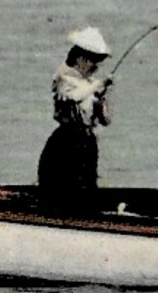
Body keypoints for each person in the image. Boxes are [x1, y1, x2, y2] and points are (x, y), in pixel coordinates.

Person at [37, 26, 114, 211]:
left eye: (98, 62)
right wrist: (96, 86)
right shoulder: (63, 77)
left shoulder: (90, 83)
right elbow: (73, 97)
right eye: (92, 61)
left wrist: (102, 98)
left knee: (86, 187)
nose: (95, 66)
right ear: (80, 58)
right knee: (64, 189)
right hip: (66, 141)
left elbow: (106, 120)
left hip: (87, 142)